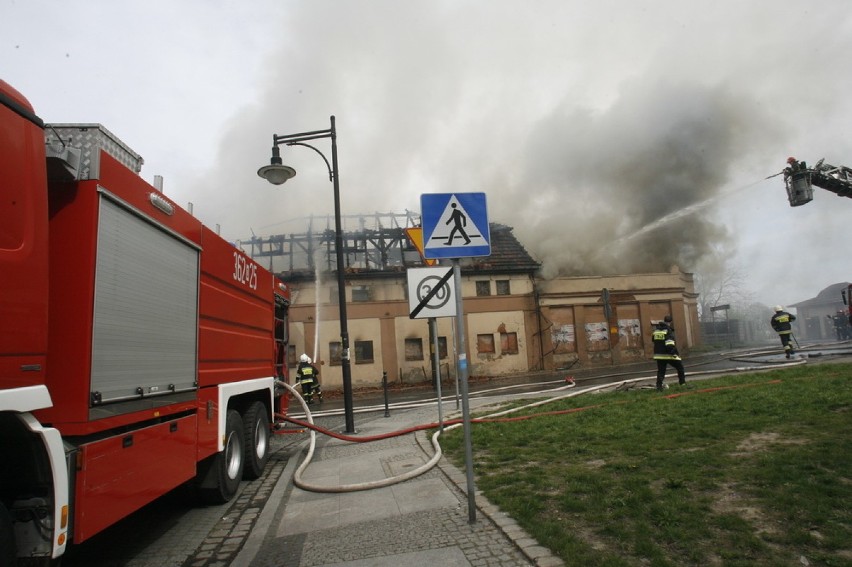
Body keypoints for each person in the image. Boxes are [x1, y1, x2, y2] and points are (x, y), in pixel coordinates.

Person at [652, 315, 686, 391]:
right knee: (680, 368)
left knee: (661, 371)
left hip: (658, 355)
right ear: (670, 322)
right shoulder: (668, 330)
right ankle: (682, 384)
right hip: (668, 354)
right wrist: (674, 353)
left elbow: (654, 341)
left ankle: (659, 387)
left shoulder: (656, 331)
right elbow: (669, 343)